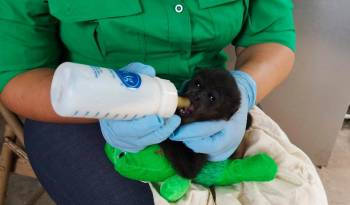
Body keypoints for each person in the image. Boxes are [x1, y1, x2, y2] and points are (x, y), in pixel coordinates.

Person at [0, 0, 295, 204]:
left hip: (207, 100)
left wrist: (243, 90)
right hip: (78, 113)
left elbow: (270, 36)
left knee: (288, 191)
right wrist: (110, 104)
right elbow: (17, 75)